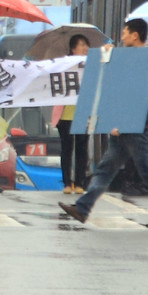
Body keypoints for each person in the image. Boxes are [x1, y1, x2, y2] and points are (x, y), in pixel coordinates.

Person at [62, 19, 148, 230]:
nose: (122, 35)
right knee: (106, 169)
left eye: (125, 32)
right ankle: (82, 208)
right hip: (125, 123)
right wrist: (106, 58)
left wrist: (125, 122)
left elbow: (137, 95)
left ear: (135, 35)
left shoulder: (142, 59)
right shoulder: (131, 58)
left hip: (137, 124)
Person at [59, 34, 93, 194]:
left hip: (83, 112)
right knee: (67, 148)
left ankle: (79, 183)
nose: (85, 48)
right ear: (73, 49)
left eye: (86, 45)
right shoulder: (63, 65)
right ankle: (67, 183)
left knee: (82, 147)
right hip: (65, 113)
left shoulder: (91, 64)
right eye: (81, 45)